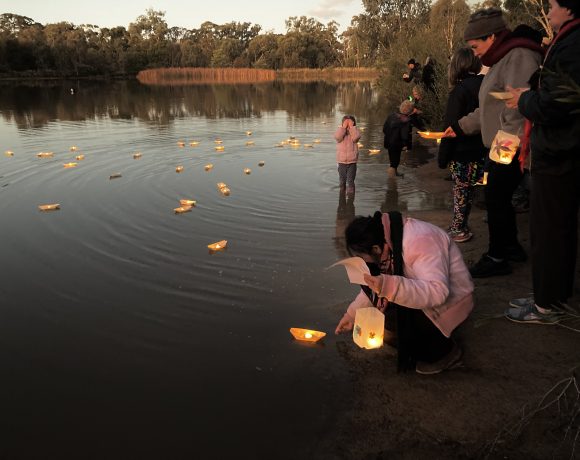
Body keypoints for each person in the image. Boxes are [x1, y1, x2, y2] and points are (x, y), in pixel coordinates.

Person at [443, 8, 543, 278]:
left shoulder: (518, 56)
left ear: (491, 36)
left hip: (511, 144)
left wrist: (502, 154)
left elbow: (516, 110)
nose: (474, 52)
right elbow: (490, 108)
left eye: (475, 46)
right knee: (499, 198)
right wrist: (460, 127)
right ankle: (510, 248)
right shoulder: (501, 59)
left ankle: (497, 257)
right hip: (503, 142)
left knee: (496, 198)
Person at [504, 0, 580, 324]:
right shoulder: (569, 40)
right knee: (559, 228)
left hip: (558, 152)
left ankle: (546, 306)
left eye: (552, 5)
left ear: (570, 8)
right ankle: (554, 297)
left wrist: (522, 99)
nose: (548, 13)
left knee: (548, 230)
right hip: (562, 151)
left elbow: (554, 105)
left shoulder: (573, 44)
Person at [334, 211, 474, 374]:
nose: (361, 261)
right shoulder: (388, 240)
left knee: (391, 319)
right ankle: (420, 338)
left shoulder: (420, 240)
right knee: (377, 293)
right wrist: (352, 315)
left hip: (452, 300)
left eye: (361, 256)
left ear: (376, 249)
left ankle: (444, 354)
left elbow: (438, 292)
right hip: (422, 290)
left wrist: (390, 287)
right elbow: (371, 289)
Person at [438, 47, 487, 243]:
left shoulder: (459, 91)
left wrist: (443, 157)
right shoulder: (485, 84)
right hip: (483, 149)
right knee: (472, 188)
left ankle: (459, 229)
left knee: (460, 191)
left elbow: (450, 128)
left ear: (456, 65)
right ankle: (461, 225)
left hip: (462, 152)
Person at [382, 100, 415, 177]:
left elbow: (384, 129)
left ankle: (395, 174)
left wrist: (388, 136)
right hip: (397, 143)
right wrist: (406, 144)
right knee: (394, 162)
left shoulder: (391, 116)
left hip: (389, 142)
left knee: (393, 159)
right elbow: (405, 135)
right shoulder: (406, 120)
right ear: (410, 111)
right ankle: (392, 183)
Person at [334, 115, 361, 196]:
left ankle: (351, 198)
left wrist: (352, 127)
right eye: (346, 122)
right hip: (341, 161)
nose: (348, 124)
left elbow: (356, 138)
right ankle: (342, 194)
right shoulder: (340, 131)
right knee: (342, 181)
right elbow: (337, 137)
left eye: (349, 122)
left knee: (350, 180)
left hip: (352, 161)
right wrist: (343, 127)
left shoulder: (355, 131)